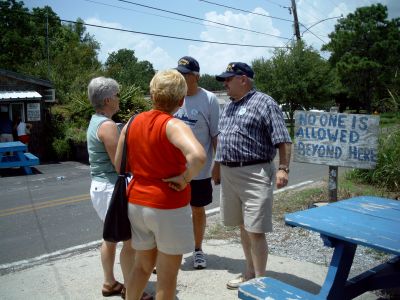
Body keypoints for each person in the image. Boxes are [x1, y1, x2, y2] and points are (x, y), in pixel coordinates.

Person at [115, 69, 206, 300]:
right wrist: (185, 178)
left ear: (152, 94)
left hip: (136, 202)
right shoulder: (173, 125)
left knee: (142, 267)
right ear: (181, 100)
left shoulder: (132, 122)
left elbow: (119, 165)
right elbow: (198, 157)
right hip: (167, 206)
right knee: (166, 276)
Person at [213, 62, 292, 289]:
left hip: (255, 172)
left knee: (255, 229)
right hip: (229, 173)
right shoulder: (229, 106)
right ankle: (249, 273)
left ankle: (260, 280)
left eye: (228, 79)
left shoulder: (265, 103)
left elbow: (283, 139)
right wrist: (217, 166)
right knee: (242, 226)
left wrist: (283, 168)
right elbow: (224, 139)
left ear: (243, 79)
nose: (225, 84)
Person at [86, 77, 139, 299]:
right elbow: (121, 165)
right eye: (116, 95)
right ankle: (131, 288)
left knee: (110, 237)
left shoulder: (96, 121)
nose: (119, 99)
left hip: (100, 186)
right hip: (110, 188)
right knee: (130, 241)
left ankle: (109, 283)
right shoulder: (107, 126)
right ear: (108, 100)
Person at [174, 56, 219, 269]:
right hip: (173, 168)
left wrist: (218, 164)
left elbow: (215, 135)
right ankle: (168, 251)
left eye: (185, 74)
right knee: (171, 210)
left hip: (199, 171)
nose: (180, 77)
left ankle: (198, 249)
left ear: (196, 76)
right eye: (179, 73)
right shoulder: (174, 97)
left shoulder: (209, 99)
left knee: (197, 209)